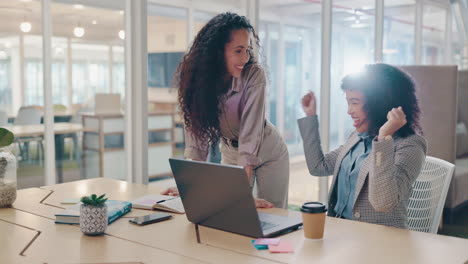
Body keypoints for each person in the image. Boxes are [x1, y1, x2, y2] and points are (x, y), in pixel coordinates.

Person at [162, 12, 289, 209]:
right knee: (229, 210)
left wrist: (241, 194)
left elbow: (250, 134)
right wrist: (190, 185)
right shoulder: (198, 81)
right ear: (217, 52)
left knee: (272, 214)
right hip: (230, 151)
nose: (245, 58)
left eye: (247, 50)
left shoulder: (254, 75)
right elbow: (197, 141)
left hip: (267, 150)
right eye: (238, 50)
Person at [298, 64, 427, 228]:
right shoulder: (357, 138)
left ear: (379, 103)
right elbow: (318, 167)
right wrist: (310, 117)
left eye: (355, 102)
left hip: (377, 240)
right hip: (340, 232)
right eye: (348, 102)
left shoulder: (410, 145)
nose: (349, 111)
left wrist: (383, 139)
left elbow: (383, 202)